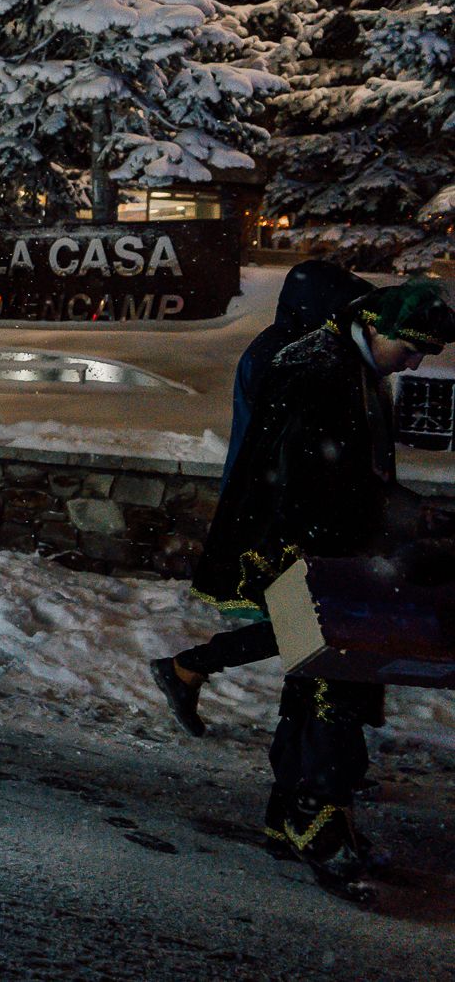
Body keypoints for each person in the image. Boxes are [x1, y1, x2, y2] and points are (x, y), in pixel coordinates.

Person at [195, 281, 455, 902]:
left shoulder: (343, 362)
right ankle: (317, 821)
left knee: (323, 682)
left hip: (323, 552)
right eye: (413, 349)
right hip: (304, 556)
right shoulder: (318, 369)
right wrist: (371, 528)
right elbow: (302, 478)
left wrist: (403, 514)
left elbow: (350, 473)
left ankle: (291, 815)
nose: (417, 363)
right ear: (376, 326)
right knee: (331, 688)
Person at [150, 258, 369, 736]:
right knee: (308, 620)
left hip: (268, 498)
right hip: (270, 503)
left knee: (308, 619)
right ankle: (315, 748)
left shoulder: (290, 346)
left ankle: (193, 669)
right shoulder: (288, 354)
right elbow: (281, 442)